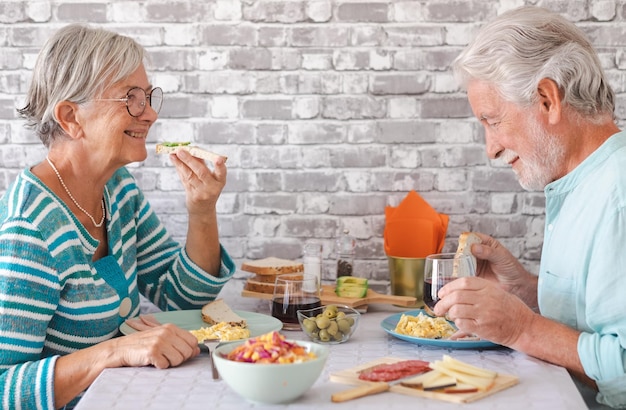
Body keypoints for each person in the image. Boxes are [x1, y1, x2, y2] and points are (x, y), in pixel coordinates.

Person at [0, 24, 235, 409]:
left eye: (148, 96)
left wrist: (202, 210)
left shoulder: (117, 188)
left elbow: (183, 298)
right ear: (71, 117)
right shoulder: (29, 229)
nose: (151, 113)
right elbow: (4, 389)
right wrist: (115, 351)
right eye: (131, 98)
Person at [435, 5, 626, 408]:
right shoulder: (583, 182)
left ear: (546, 99)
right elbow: (597, 319)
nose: (491, 149)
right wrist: (524, 292)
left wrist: (522, 328)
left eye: (492, 120)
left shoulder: (618, 195)